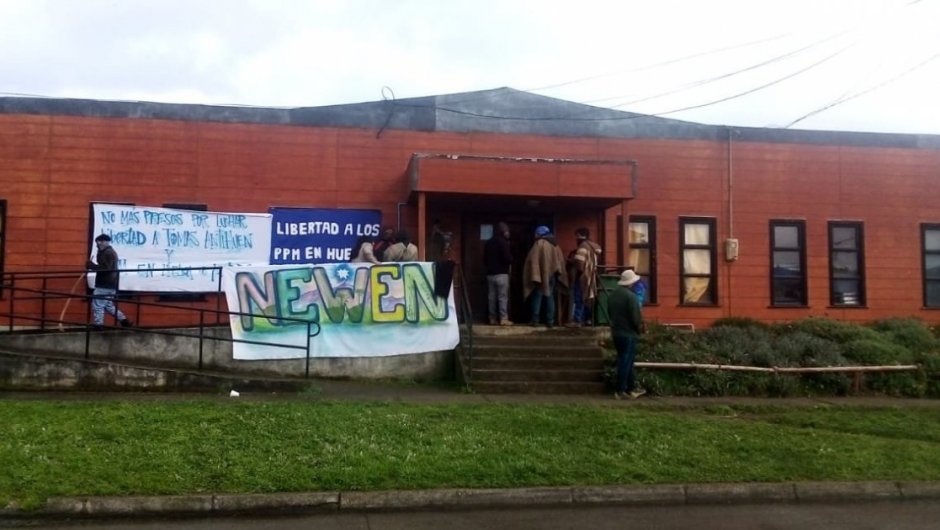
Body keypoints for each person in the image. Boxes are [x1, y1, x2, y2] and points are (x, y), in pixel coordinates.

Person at [608, 269, 645, 399]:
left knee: (624, 360)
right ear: (632, 282)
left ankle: (631, 388)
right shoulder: (631, 296)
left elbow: (610, 314)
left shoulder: (612, 295)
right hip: (629, 333)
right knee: (626, 362)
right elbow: (636, 318)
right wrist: (639, 329)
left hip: (616, 332)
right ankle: (621, 390)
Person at [522, 225, 567, 328]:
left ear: (539, 234)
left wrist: (535, 275)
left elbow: (532, 261)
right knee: (550, 297)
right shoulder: (555, 245)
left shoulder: (539, 244)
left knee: (537, 297)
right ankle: (550, 321)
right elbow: (560, 261)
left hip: (540, 276)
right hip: (552, 276)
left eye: (536, 233)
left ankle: (535, 320)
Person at [85, 234, 132, 330]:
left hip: (104, 284)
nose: (99, 243)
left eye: (101, 241)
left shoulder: (108, 253)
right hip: (110, 284)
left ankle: (99, 325)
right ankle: (124, 321)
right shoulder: (104, 252)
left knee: (98, 305)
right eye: (97, 241)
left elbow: (106, 269)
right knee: (108, 305)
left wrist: (91, 266)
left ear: (107, 242)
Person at [567, 227, 602, 327]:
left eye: (577, 235)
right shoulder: (592, 246)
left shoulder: (583, 246)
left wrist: (571, 261)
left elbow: (579, 262)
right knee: (587, 298)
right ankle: (588, 319)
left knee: (579, 297)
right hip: (591, 275)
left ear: (580, 235)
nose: (576, 238)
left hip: (582, 275)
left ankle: (577, 320)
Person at [483, 221, 513, 325]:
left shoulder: (489, 242)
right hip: (501, 274)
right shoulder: (503, 242)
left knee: (491, 297)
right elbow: (507, 258)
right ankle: (503, 319)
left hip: (490, 274)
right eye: (507, 231)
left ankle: (492, 318)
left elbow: (485, 259)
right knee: (502, 297)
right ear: (504, 231)